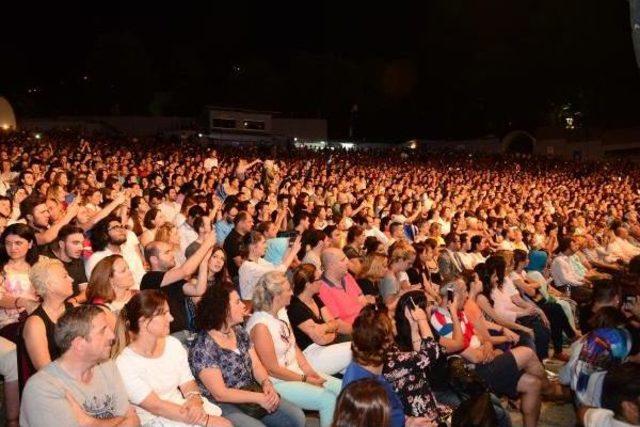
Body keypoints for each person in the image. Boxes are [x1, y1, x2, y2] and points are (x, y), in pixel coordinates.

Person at [430, 281, 549, 427]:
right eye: (465, 292)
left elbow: (483, 338)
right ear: (453, 296)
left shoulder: (459, 313)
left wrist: (487, 348)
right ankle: (550, 389)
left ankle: (545, 391)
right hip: (473, 373)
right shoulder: (440, 321)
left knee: (533, 384)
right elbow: (472, 357)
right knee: (528, 353)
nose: (467, 296)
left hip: (486, 363)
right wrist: (486, 350)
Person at [189, 284, 306, 427]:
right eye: (237, 302)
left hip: (250, 390)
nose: (243, 305)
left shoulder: (238, 331)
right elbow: (220, 393)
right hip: (224, 403)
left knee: (295, 417)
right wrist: (258, 398)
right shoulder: (203, 346)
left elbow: (256, 365)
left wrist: (266, 383)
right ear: (222, 309)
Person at [113, 290, 229, 427]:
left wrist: (195, 401)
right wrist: (205, 420)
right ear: (144, 322)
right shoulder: (125, 363)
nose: (171, 318)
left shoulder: (172, 344)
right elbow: (156, 406)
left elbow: (187, 383)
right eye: (164, 314)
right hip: (153, 420)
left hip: (182, 409)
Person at [247, 271, 342, 427]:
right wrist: (306, 379)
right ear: (276, 296)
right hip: (277, 382)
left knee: (342, 388)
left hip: (296, 372)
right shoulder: (260, 326)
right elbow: (272, 370)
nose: (292, 292)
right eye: (288, 290)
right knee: (328, 399)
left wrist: (308, 370)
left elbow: (293, 345)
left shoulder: (280, 313)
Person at [19, 305, 140, 426]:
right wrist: (122, 421)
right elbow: (128, 420)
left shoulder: (108, 367)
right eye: (103, 331)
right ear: (79, 344)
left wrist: (89, 422)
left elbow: (134, 421)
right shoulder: (43, 387)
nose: (112, 336)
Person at [341, 303, 434, 427]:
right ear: (386, 342)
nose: (395, 322)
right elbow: (430, 352)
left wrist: (407, 421)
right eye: (392, 320)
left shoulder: (363, 367)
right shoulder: (364, 389)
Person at [141, 232, 216, 342]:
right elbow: (185, 271)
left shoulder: (172, 279)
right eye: (167, 252)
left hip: (184, 334)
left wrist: (204, 262)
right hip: (167, 337)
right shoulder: (149, 278)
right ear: (154, 259)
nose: (172, 255)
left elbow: (198, 290)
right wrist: (206, 245)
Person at [19, 257, 75, 389]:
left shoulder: (74, 311)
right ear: (49, 285)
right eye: (65, 276)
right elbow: (46, 371)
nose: (71, 279)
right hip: (53, 389)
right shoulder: (35, 324)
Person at [288, 264, 352, 375]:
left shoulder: (315, 298)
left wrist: (324, 328)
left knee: (356, 366)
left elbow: (335, 323)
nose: (322, 282)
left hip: (326, 349)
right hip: (310, 355)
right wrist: (331, 329)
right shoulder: (296, 308)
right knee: (357, 349)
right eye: (318, 279)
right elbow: (320, 339)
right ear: (308, 285)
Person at [0, 224, 41, 342]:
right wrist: (24, 302)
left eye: (18, 243)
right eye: (8, 243)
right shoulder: (2, 268)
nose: (13, 248)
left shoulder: (40, 265)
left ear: (30, 244)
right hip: (8, 323)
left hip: (36, 319)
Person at [238, 231, 301, 303]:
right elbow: (277, 273)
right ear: (253, 247)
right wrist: (293, 252)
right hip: (251, 306)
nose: (266, 246)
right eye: (263, 243)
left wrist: (289, 248)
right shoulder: (248, 266)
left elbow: (279, 267)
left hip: (260, 301)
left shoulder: (260, 260)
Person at [86, 215, 147, 288]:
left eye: (121, 227)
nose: (121, 230)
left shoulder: (130, 252)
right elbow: (101, 289)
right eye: (115, 227)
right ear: (104, 234)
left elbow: (142, 277)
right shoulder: (97, 258)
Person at [41, 224, 88, 303]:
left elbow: (85, 291)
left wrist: (74, 300)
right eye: (75, 243)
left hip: (73, 308)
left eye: (82, 243)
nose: (81, 248)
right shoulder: (46, 260)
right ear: (61, 244)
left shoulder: (79, 262)